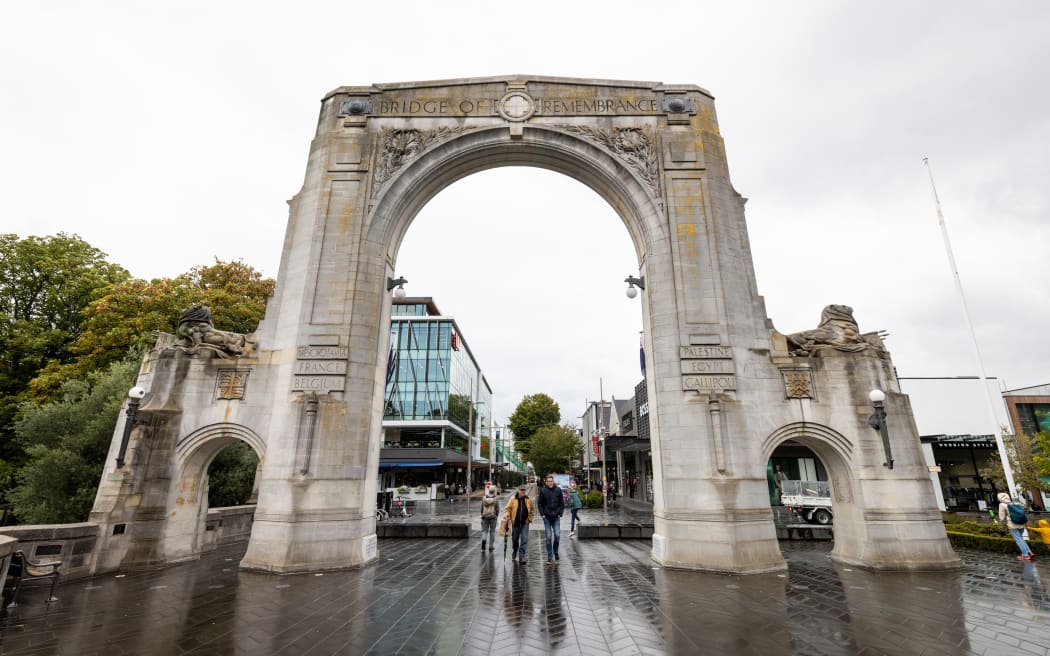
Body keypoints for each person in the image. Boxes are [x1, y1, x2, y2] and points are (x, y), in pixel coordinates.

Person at [538, 474, 566, 565]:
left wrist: (560, 513)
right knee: (548, 537)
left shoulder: (558, 490)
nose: (550, 483)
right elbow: (540, 504)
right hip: (546, 517)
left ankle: (556, 552)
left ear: (553, 482)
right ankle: (550, 557)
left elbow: (562, 503)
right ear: (546, 482)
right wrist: (542, 514)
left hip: (556, 517)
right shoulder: (543, 490)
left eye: (551, 481)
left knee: (557, 535)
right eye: (548, 481)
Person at [503, 486, 534, 564]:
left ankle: (521, 556)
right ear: (518, 491)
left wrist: (530, 518)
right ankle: (515, 550)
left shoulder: (528, 499)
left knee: (524, 539)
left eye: (524, 490)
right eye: (521, 490)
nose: (523, 491)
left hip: (525, 523)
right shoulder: (513, 499)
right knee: (515, 539)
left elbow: (532, 510)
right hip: (515, 523)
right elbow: (507, 509)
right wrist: (507, 516)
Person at [998, 492, 1034, 560]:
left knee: (1018, 540)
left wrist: (1001, 525)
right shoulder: (1015, 503)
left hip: (1013, 524)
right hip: (1021, 523)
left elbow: (1002, 517)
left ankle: (1025, 555)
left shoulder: (1002, 504)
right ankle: (1030, 552)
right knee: (1021, 539)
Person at [479, 486, 500, 551]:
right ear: (494, 491)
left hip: (485, 516)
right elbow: (497, 508)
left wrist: (482, 514)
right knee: (492, 531)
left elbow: (481, 507)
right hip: (493, 517)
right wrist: (496, 516)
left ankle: (484, 540)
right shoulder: (496, 499)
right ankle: (491, 546)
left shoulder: (484, 498)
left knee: (484, 531)